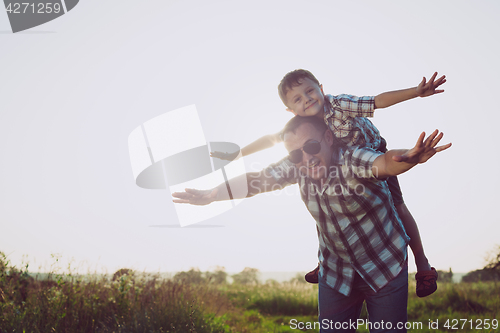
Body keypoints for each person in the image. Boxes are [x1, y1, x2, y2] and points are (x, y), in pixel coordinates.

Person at [173, 116, 451, 332]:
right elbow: (253, 181)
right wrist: (212, 195)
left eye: (312, 146)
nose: (306, 158)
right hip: (336, 274)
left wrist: (409, 158)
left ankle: (423, 265)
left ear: (328, 139)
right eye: (296, 154)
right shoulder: (296, 167)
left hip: (384, 267)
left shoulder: (352, 158)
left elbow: (384, 163)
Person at [210, 69, 446, 297]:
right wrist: (239, 154)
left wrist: (416, 91)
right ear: (290, 110)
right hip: (337, 165)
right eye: (298, 99)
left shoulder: (339, 105)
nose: (307, 100)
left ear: (321, 88)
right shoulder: (301, 127)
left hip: (372, 157)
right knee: (324, 204)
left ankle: (423, 265)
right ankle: (328, 262)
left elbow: (377, 101)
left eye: (310, 91)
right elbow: (270, 139)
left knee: (397, 207)